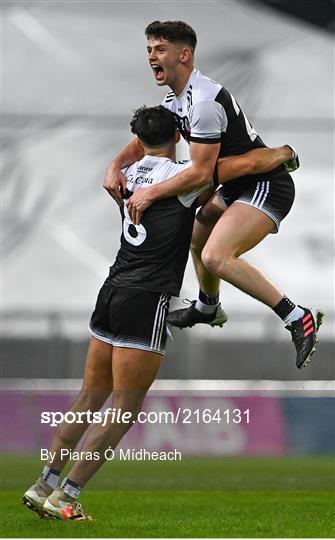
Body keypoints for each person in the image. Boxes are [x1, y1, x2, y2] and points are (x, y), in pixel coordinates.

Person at [22, 105, 295, 522]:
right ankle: (66, 497)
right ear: (178, 136)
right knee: (123, 410)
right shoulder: (182, 178)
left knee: (89, 397)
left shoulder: (127, 175)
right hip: (146, 299)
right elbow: (246, 166)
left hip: (111, 291)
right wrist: (282, 155)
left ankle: (43, 482)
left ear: (139, 138)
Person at [104, 20, 323, 369]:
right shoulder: (177, 98)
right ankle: (208, 305)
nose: (151, 57)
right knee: (198, 232)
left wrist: (148, 194)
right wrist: (115, 164)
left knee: (217, 257)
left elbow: (201, 175)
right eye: (149, 50)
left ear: (184, 54)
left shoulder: (203, 102)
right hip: (241, 182)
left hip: (267, 186)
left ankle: (297, 316)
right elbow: (150, 138)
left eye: (160, 49)